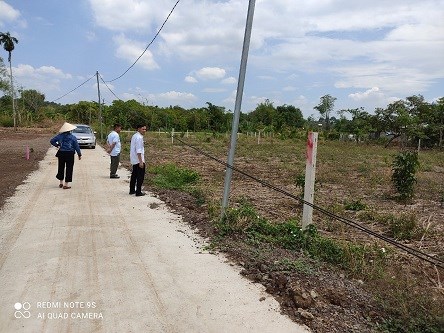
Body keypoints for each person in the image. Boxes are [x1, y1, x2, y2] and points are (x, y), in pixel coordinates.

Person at [50, 122, 82, 189]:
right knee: (69, 168)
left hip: (61, 153)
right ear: (70, 130)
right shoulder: (73, 137)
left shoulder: (59, 136)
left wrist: (57, 145)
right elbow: (76, 146)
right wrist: (79, 154)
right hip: (70, 154)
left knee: (61, 167)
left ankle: (61, 183)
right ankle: (66, 184)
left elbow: (52, 141)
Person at [129, 124, 147, 196]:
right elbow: (139, 151)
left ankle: (132, 190)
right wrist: (141, 162)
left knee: (134, 175)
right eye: (143, 129)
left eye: (145, 129)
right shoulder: (139, 137)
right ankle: (138, 191)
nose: (144, 131)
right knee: (140, 176)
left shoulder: (135, 136)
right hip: (138, 159)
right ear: (138, 129)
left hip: (134, 159)